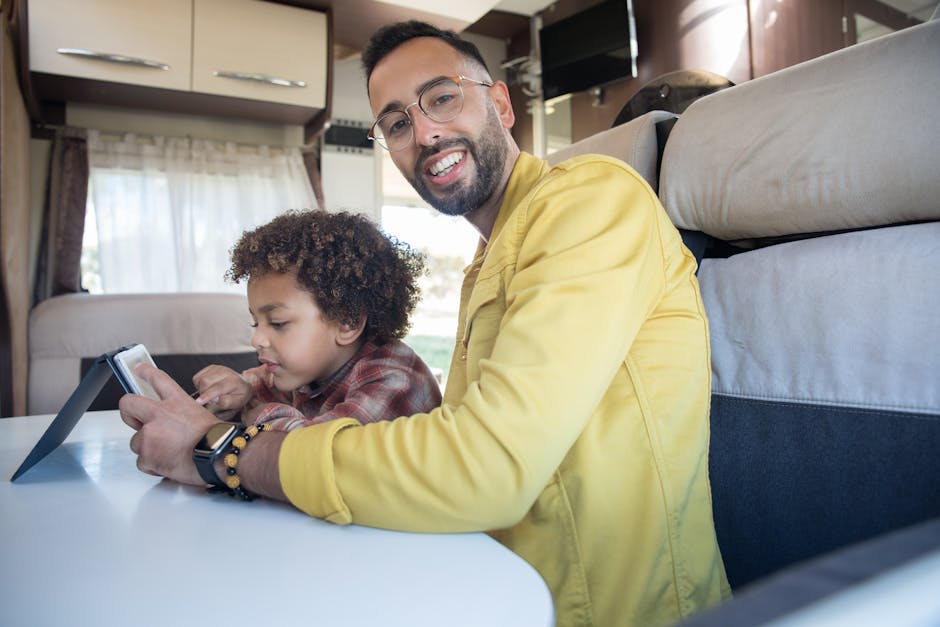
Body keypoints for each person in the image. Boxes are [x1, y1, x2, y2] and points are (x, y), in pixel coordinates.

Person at [121, 20, 730, 627]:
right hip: (494, 594)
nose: (425, 133)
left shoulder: (592, 200)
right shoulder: (491, 258)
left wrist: (223, 452)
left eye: (441, 97)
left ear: (501, 104)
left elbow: (485, 466)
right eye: (396, 124)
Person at [191, 209, 442, 431]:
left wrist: (254, 413)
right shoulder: (303, 368)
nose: (256, 339)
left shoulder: (395, 381)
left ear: (347, 322)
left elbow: (313, 451)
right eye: (256, 322)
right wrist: (234, 394)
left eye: (278, 323)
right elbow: (251, 387)